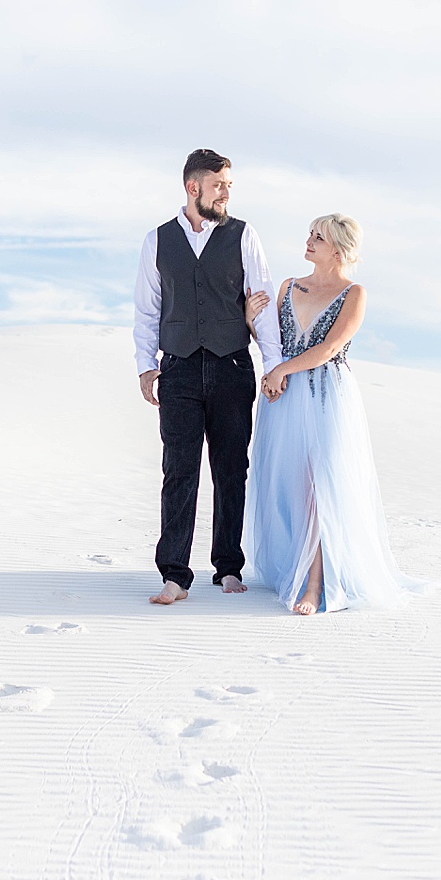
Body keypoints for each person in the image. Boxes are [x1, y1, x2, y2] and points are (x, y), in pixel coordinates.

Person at [244, 213, 427, 614]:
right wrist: (250, 323)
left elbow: (328, 348)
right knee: (292, 486)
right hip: (284, 399)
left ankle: (316, 585)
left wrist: (280, 371)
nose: (309, 241)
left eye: (319, 237)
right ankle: (297, 567)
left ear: (339, 250)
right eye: (310, 234)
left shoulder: (354, 293)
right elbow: (276, 340)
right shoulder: (289, 286)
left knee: (320, 485)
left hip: (326, 397)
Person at [133, 149, 283, 606]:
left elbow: (263, 302)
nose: (226, 194)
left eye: (229, 186)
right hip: (177, 369)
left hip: (231, 365)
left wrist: (273, 364)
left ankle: (228, 567)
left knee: (231, 469)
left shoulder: (244, 235)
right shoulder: (157, 240)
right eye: (219, 185)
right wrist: (146, 364)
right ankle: (175, 575)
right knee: (178, 470)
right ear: (192, 187)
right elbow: (147, 309)